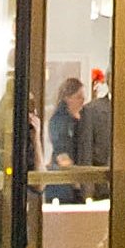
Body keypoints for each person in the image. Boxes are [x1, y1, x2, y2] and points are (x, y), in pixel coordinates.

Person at [47, 76, 87, 205]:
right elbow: (62, 155)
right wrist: (76, 183)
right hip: (64, 187)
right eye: (78, 96)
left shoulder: (79, 120)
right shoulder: (60, 120)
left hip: (73, 182)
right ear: (67, 98)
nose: (83, 100)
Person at [78, 69, 113, 201]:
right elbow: (86, 152)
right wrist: (88, 194)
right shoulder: (92, 110)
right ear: (109, 81)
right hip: (101, 190)